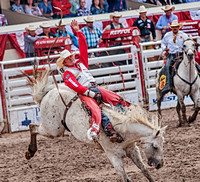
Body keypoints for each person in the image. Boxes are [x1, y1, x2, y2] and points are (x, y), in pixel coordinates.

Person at [56, 20, 130, 143]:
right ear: (64, 63)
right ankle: (105, 131)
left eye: (71, 56)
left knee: (115, 98)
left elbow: (84, 47)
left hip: (95, 87)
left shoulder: (80, 63)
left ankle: (130, 114)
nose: (71, 58)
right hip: (86, 93)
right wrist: (89, 93)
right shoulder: (68, 74)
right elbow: (76, 87)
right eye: (68, 58)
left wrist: (78, 31)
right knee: (96, 110)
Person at [159, 20, 188, 94]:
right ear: (171, 28)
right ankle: (168, 85)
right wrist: (164, 48)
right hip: (172, 55)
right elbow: (162, 43)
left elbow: (188, 42)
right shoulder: (167, 35)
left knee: (193, 64)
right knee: (167, 66)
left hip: (182, 54)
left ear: (179, 27)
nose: (175, 28)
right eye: (173, 27)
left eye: (176, 27)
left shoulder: (184, 35)